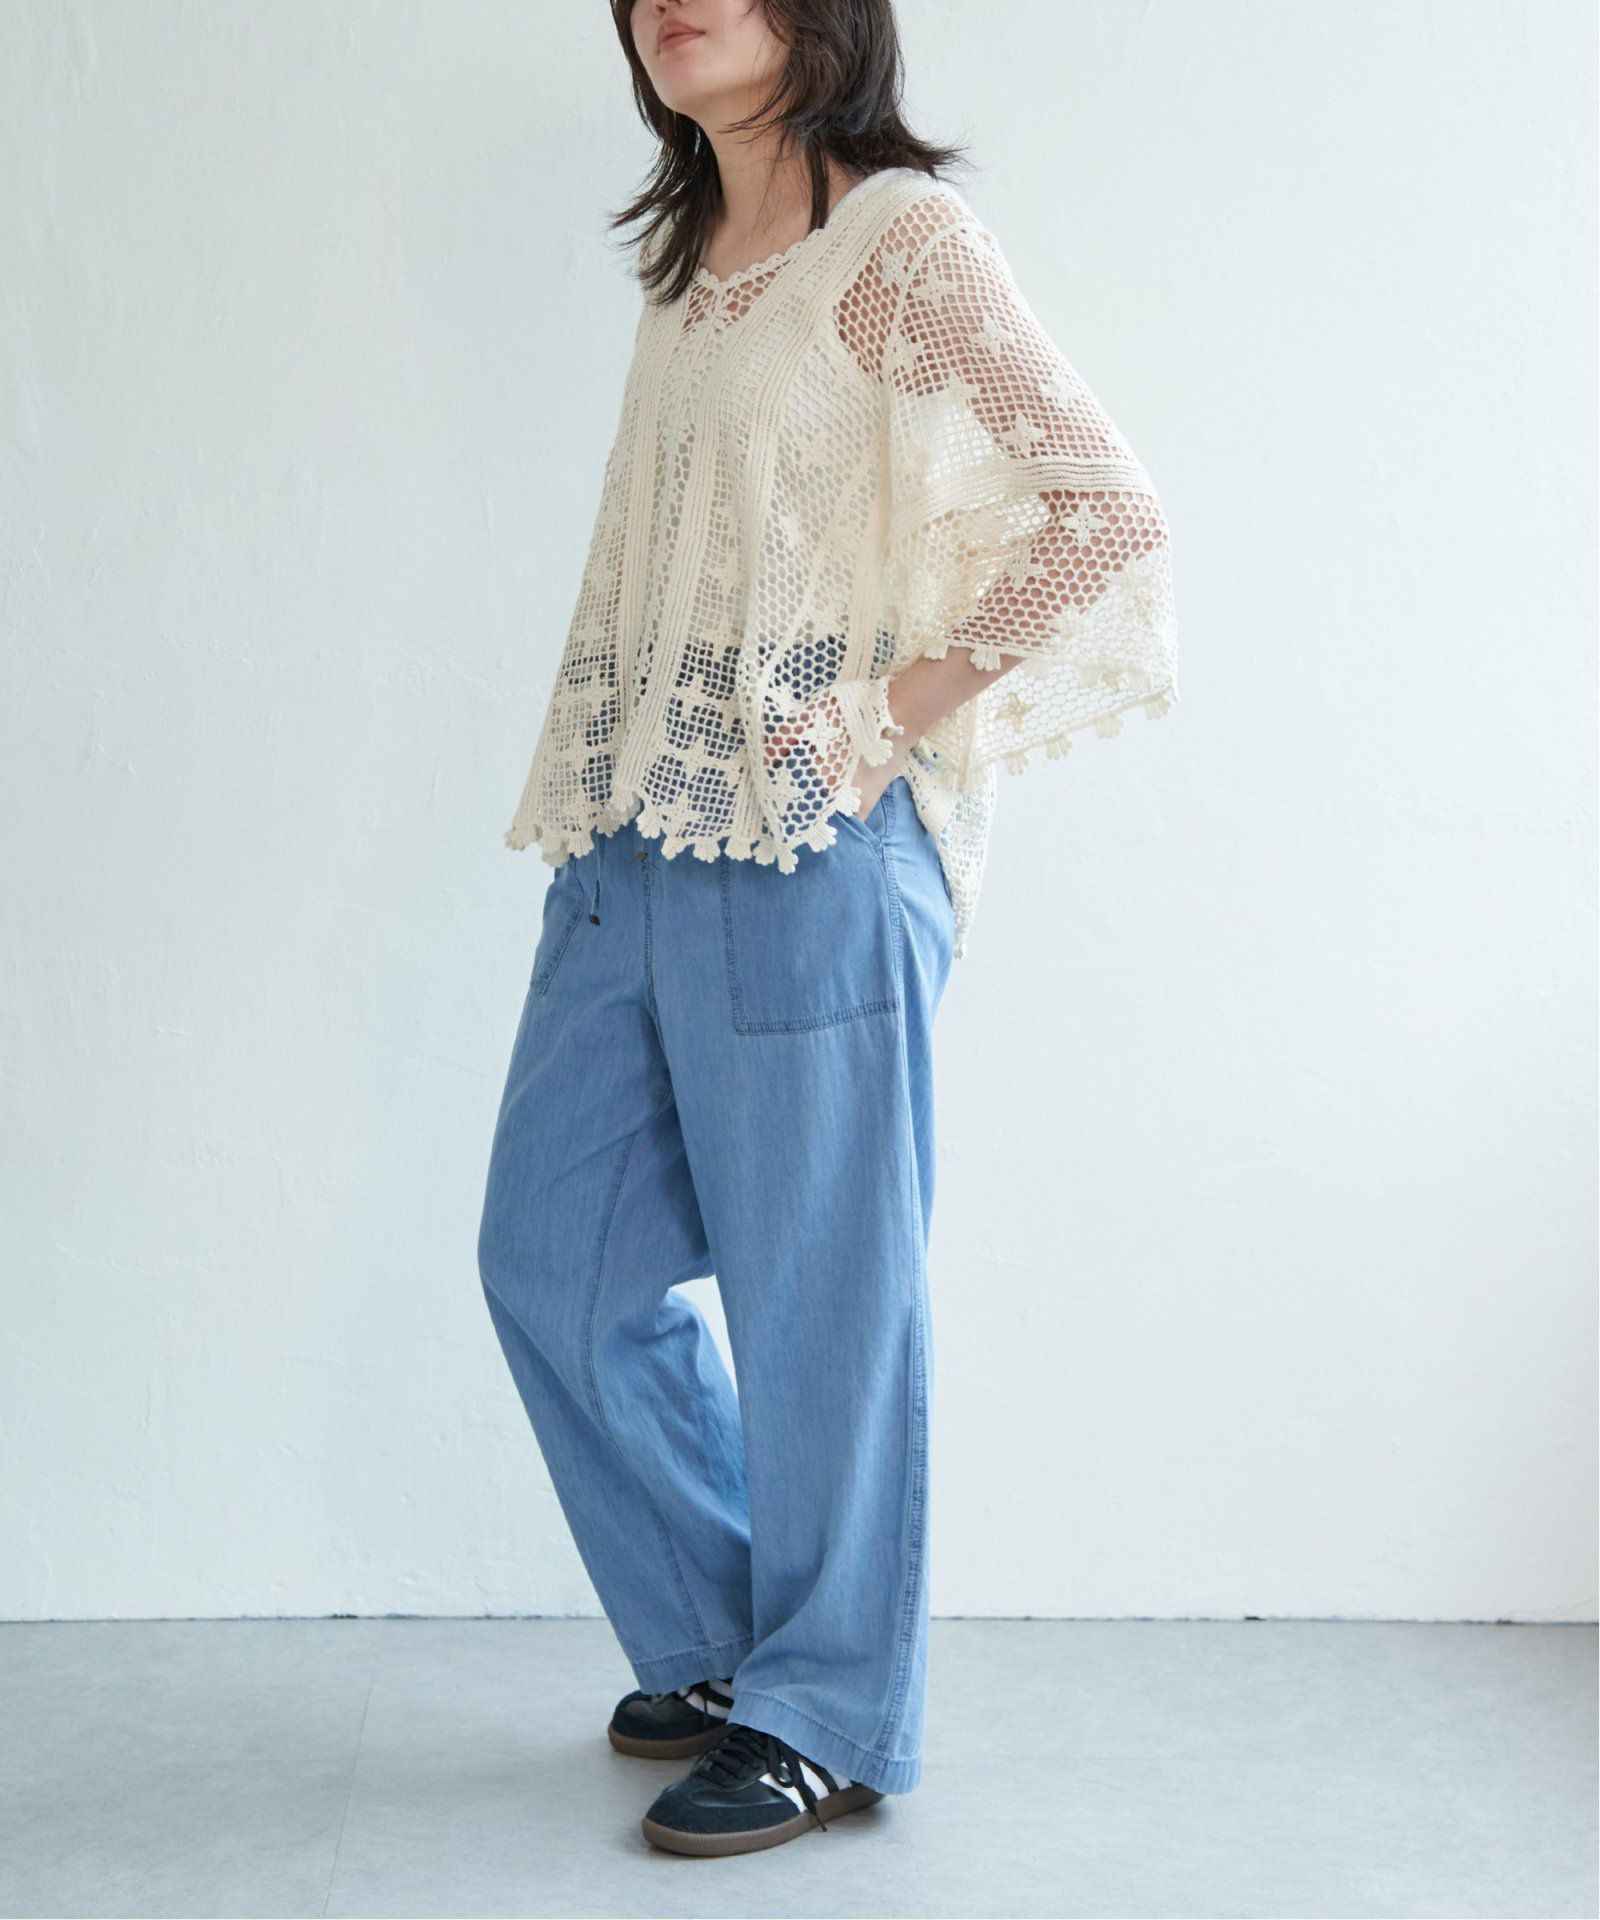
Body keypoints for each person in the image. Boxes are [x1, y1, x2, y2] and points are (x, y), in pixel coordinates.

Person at [476, 0, 1178, 1859]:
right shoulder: (688, 262)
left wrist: (890, 713)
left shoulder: (899, 245)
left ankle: (830, 1713)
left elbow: (1103, 510)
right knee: (549, 1260)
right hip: (641, 830)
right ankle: (732, 1644)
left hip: (806, 851)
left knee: (822, 1307)